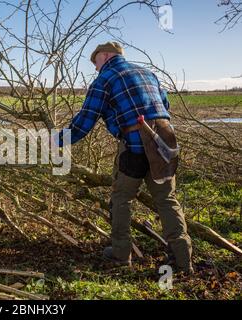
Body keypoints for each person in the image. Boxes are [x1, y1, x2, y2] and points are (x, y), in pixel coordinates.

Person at [56, 41, 194, 274]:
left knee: (121, 199)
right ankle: (183, 260)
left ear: (107, 55)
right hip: (165, 141)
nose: (96, 67)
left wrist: (58, 140)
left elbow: (86, 119)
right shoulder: (148, 73)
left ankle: (121, 255)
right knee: (167, 199)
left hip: (134, 144)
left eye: (96, 60)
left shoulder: (106, 78)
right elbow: (165, 104)